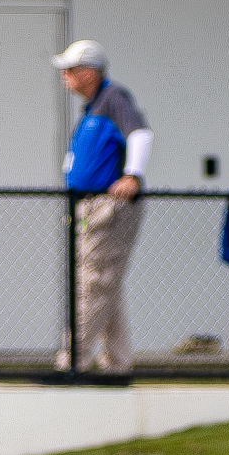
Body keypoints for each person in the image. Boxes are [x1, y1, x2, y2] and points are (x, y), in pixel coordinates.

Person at [54, 40, 151, 374]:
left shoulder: (113, 98)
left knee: (94, 283)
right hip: (89, 206)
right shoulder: (92, 107)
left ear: (90, 72)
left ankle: (73, 363)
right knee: (105, 285)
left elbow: (140, 134)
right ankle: (117, 364)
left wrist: (132, 175)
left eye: (70, 69)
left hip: (109, 207)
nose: (65, 76)